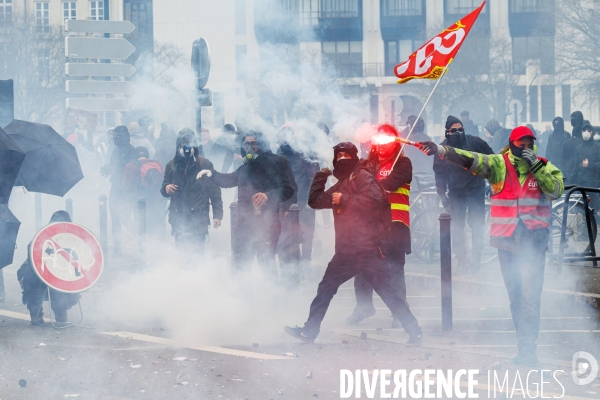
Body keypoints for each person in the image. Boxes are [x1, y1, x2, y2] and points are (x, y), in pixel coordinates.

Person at [419, 126, 563, 366]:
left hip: (533, 243)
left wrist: (536, 166)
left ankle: (528, 351)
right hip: (506, 241)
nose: (525, 148)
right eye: (521, 144)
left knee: (530, 298)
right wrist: (441, 150)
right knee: (516, 298)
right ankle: (523, 348)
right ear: (512, 143)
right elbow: (471, 159)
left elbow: (555, 190)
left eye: (529, 143)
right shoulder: (498, 164)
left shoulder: (544, 165)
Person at [284, 142, 422, 345]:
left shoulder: (362, 175)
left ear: (354, 157)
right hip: (346, 252)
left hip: (367, 249)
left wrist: (345, 199)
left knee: (388, 293)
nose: (342, 159)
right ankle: (309, 331)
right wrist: (321, 175)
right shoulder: (343, 182)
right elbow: (315, 201)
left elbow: (376, 197)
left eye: (346, 155)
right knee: (325, 289)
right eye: (338, 156)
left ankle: (414, 330)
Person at [345, 125, 418, 330]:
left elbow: (389, 185)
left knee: (395, 271)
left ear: (396, 142)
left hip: (396, 223)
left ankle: (399, 313)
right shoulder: (368, 164)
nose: (383, 146)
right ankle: (363, 305)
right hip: (371, 225)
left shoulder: (403, 163)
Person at [207, 132, 294, 279]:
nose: (249, 148)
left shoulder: (274, 165)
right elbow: (228, 180)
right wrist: (211, 174)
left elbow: (287, 189)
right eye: (246, 144)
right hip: (244, 225)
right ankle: (243, 298)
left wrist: (268, 195)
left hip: (267, 225)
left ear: (261, 145)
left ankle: (272, 296)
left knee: (266, 264)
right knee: (241, 264)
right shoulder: (244, 168)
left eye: (253, 144)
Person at [434, 116, 494, 275]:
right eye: (454, 130)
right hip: (455, 193)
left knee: (477, 226)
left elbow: (494, 160)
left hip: (476, 190)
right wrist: (442, 194)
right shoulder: (442, 149)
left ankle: (477, 260)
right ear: (447, 132)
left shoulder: (475, 143)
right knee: (457, 228)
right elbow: (439, 173)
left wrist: (491, 180)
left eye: (461, 129)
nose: (458, 133)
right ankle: (461, 260)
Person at [161, 131, 223, 258]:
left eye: (190, 142)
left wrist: (217, 215)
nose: (187, 146)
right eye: (184, 143)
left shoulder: (204, 164)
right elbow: (164, 187)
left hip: (198, 217)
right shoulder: (171, 165)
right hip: (178, 216)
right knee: (182, 252)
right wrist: (166, 188)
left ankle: (197, 277)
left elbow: (214, 190)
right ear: (179, 144)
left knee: (197, 253)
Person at [17, 211, 81, 324]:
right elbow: (33, 259)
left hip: (61, 276)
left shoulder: (72, 241)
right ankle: (36, 314)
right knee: (32, 277)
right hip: (38, 274)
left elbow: (77, 263)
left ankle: (60, 312)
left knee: (62, 280)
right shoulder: (40, 238)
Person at [276, 124, 320, 285]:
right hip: (287, 202)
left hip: (303, 201)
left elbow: (314, 178)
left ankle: (305, 266)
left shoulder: (305, 152)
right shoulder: (279, 153)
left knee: (306, 235)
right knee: (289, 236)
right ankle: (294, 268)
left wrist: (311, 199)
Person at [100, 126, 138, 254]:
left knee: (124, 218)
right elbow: (114, 166)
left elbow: (131, 170)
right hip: (115, 188)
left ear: (123, 136)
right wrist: (108, 169)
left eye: (116, 136)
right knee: (115, 218)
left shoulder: (132, 151)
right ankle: (117, 248)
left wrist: (115, 170)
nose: (114, 138)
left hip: (127, 190)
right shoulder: (115, 151)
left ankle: (141, 238)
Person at [123, 146, 165, 236]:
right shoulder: (157, 164)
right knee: (155, 226)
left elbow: (126, 186)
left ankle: (143, 247)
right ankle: (160, 245)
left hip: (139, 201)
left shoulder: (131, 165)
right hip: (156, 200)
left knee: (141, 226)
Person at [569, 123, 600, 214]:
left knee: (592, 208)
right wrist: (570, 180)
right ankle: (584, 227)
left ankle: (593, 225)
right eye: (584, 130)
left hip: (592, 182)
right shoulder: (579, 148)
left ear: (592, 133)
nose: (586, 132)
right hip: (581, 182)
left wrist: (589, 165)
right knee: (582, 208)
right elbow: (576, 165)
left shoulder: (597, 147)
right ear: (581, 132)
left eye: (589, 130)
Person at [561, 111, 585, 184]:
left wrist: (564, 172)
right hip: (580, 172)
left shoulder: (567, 142)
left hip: (573, 171)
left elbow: (562, 159)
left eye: (573, 118)